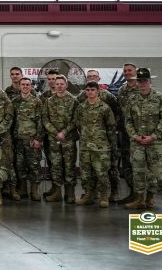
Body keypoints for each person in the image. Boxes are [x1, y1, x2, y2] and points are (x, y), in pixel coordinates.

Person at [123, 68, 162, 214]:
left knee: (160, 174)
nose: (142, 83)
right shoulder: (132, 99)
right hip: (137, 143)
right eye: (139, 81)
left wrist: (153, 136)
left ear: (150, 82)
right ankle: (140, 200)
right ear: (137, 82)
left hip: (156, 143)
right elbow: (128, 122)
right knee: (138, 173)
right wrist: (135, 136)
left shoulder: (160, 98)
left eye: (145, 81)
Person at [78, 69, 121, 201]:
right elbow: (78, 121)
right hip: (87, 141)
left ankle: (112, 193)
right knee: (87, 171)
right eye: (89, 76)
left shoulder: (108, 97)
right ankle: (90, 194)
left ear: (99, 78)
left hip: (105, 140)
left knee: (108, 168)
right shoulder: (82, 98)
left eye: (94, 76)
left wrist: (114, 132)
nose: (91, 78)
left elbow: (117, 111)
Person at [43, 75, 78, 204]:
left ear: (66, 85)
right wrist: (55, 132)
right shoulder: (49, 101)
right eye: (57, 84)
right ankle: (57, 193)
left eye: (62, 84)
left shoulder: (73, 101)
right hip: (54, 139)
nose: (59, 86)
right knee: (56, 166)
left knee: (69, 166)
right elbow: (45, 119)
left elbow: (75, 120)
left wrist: (64, 132)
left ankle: (70, 193)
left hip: (68, 139)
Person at [12, 77, 44, 202]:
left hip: (31, 140)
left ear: (31, 86)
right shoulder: (14, 101)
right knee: (20, 165)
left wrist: (38, 139)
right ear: (19, 86)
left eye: (27, 84)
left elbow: (41, 121)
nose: (25, 86)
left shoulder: (37, 101)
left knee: (34, 166)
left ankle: (34, 190)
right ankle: (23, 189)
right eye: (23, 84)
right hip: (18, 140)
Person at [116, 63, 138, 203]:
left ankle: (144, 196)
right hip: (125, 134)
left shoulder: (142, 89)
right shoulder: (122, 90)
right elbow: (119, 111)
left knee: (140, 165)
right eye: (125, 71)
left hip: (139, 135)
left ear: (135, 72)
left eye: (130, 70)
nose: (127, 73)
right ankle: (133, 193)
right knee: (127, 165)